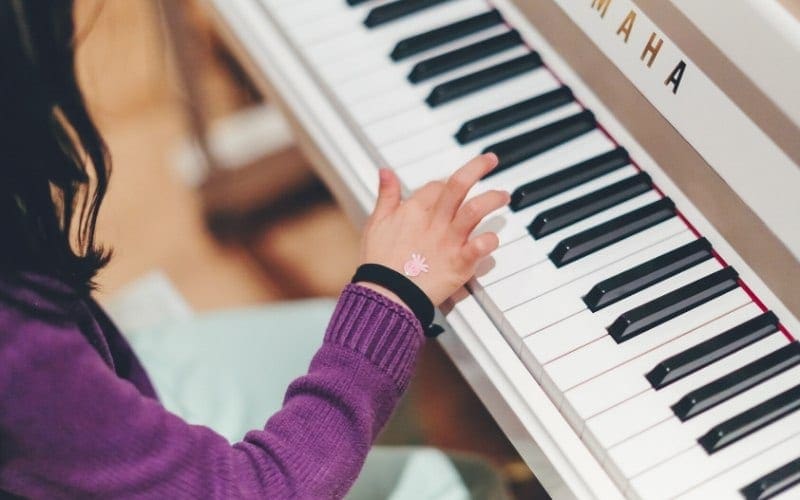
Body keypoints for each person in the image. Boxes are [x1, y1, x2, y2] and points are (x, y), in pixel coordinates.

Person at [0, 2, 511, 498]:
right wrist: (394, 290)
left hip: (105, 386)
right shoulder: (15, 345)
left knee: (342, 339)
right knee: (463, 481)